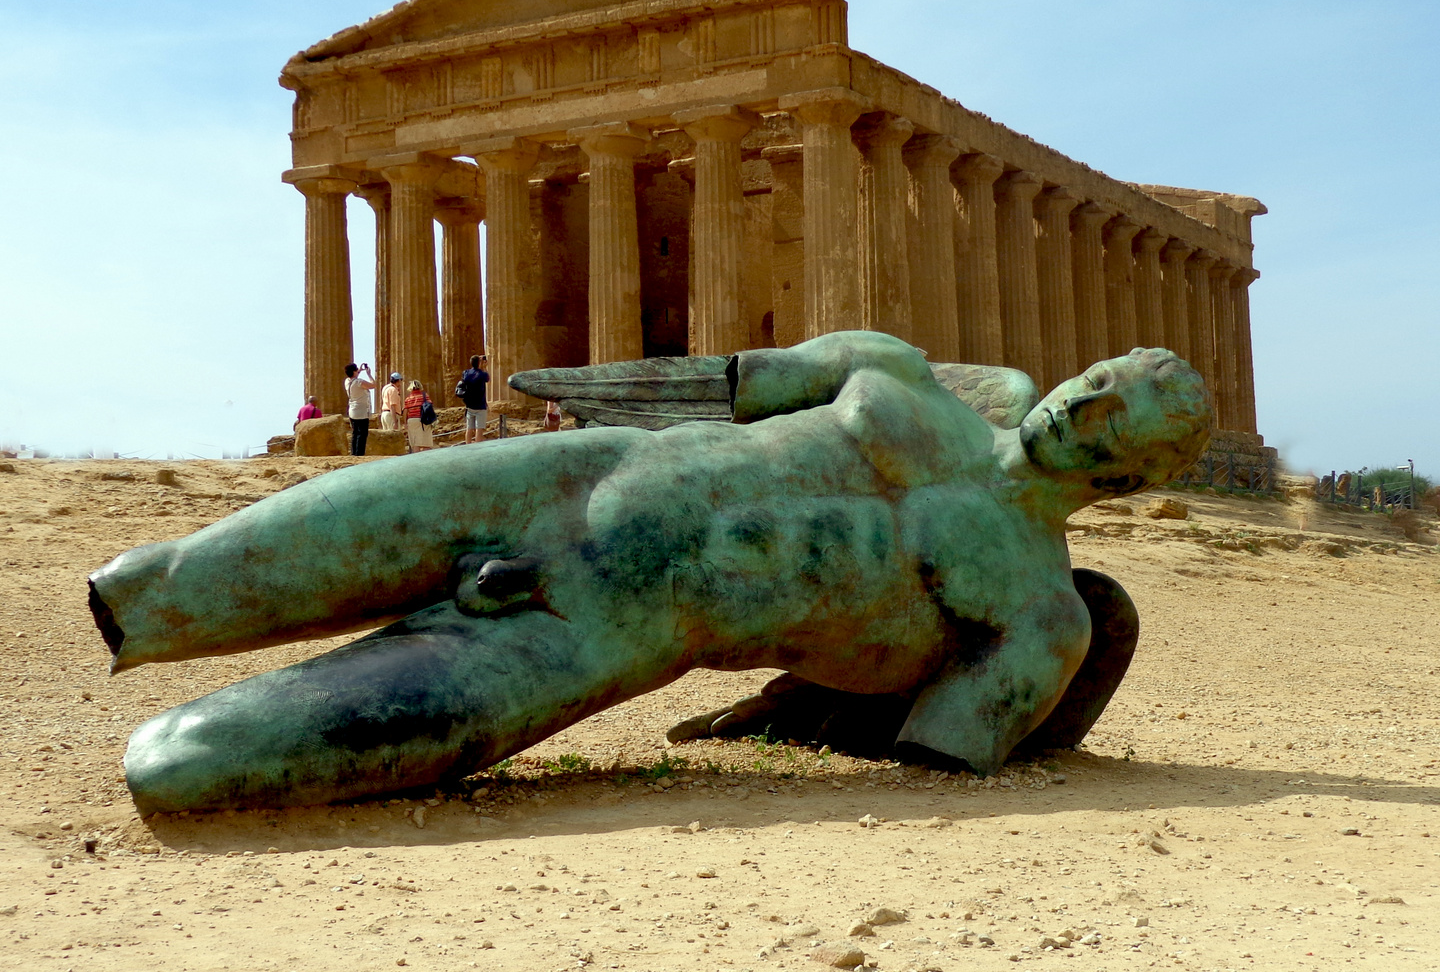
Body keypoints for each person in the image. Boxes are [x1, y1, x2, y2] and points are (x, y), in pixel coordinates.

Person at [90, 332, 1211, 812]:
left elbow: (940, 746)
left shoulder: (1038, 617)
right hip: (564, 477)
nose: (1089, 402)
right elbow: (715, 385)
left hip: (605, 631)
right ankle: (141, 611)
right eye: (1104, 377)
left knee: (182, 769)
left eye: (1122, 422)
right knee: (165, 578)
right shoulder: (900, 374)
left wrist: (799, 716)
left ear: (1141, 475)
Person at [342, 363, 375, 456]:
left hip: (352, 411)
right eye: (356, 370)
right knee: (362, 433)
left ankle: (354, 453)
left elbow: (353, 378)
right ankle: (360, 453)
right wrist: (369, 374)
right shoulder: (359, 382)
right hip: (362, 411)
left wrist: (358, 371)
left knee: (355, 433)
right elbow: (373, 385)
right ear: (353, 372)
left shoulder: (347, 381)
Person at [457, 354, 490, 444]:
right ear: (479, 362)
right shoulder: (482, 374)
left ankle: (468, 446)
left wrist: (478, 363)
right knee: (479, 429)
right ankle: (478, 448)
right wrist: (484, 367)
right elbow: (487, 378)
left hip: (469, 405)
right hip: (480, 405)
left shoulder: (466, 373)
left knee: (469, 428)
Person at [403, 380, 434, 453]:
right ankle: (426, 459)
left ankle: (416, 460)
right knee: (426, 443)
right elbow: (430, 406)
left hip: (411, 421)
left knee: (415, 444)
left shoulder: (408, 398)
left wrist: (405, 423)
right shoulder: (424, 396)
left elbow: (405, 411)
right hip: (423, 420)